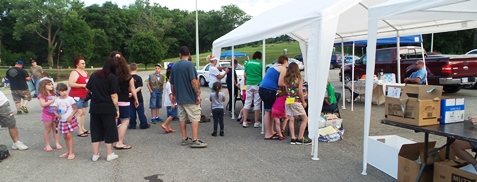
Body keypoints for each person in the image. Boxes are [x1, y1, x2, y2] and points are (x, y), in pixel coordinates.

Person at [170, 46, 207, 148]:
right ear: (189, 54)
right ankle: (195, 139)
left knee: (182, 118)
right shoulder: (189, 65)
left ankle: (185, 138)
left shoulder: (174, 66)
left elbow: (172, 83)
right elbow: (194, 81)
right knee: (195, 117)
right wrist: (198, 94)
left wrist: (173, 95)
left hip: (180, 97)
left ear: (180, 54)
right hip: (190, 97)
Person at [86, 57, 120, 162]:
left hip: (95, 107)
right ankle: (109, 154)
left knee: (96, 131)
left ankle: (95, 154)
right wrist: (117, 109)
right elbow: (114, 95)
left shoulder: (95, 75)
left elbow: (88, 89)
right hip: (107, 108)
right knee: (109, 130)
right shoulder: (112, 77)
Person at [259, 55, 288, 139]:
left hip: (263, 89)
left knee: (270, 111)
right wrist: (288, 85)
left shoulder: (272, 67)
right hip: (269, 90)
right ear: (285, 61)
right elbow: (280, 83)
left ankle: (271, 131)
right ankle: (268, 134)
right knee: (268, 112)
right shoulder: (283, 68)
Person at [114, 56, 138, 150]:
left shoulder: (112, 76)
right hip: (124, 100)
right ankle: (120, 142)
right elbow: (132, 89)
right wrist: (135, 99)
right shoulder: (128, 77)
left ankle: (114, 140)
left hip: (113, 100)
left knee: (115, 121)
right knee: (125, 121)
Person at [284, 62, 311, 145]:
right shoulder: (298, 78)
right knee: (305, 119)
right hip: (296, 101)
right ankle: (300, 137)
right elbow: (300, 91)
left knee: (291, 119)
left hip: (288, 101)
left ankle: (293, 138)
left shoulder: (286, 79)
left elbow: (286, 91)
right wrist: (303, 101)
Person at [53, 83, 78, 160]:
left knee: (69, 136)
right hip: (62, 121)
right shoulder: (57, 100)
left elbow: (75, 109)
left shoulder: (70, 99)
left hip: (69, 120)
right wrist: (57, 115)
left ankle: (71, 152)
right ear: (57, 91)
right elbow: (55, 110)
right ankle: (68, 151)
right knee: (65, 136)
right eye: (61, 91)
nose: (64, 92)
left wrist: (71, 116)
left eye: (65, 90)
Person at [68, 56, 90, 137]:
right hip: (76, 95)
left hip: (85, 95)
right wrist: (83, 85)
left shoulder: (85, 72)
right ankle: (79, 130)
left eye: (84, 63)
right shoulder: (74, 72)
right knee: (78, 112)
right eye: (82, 63)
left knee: (83, 112)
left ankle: (83, 128)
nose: (84, 64)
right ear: (77, 64)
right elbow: (71, 83)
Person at [38, 79, 62, 152]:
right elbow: (42, 104)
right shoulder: (41, 95)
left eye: (51, 84)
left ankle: (57, 143)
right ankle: (47, 145)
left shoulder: (54, 94)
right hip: (47, 114)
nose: (51, 86)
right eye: (49, 85)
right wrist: (52, 100)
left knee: (56, 129)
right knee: (47, 130)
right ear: (43, 86)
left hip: (55, 114)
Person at [241, 51, 263, 128]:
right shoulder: (261, 64)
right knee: (257, 103)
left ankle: (244, 121)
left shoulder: (248, 63)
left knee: (247, 102)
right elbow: (263, 75)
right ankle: (256, 122)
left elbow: (245, 74)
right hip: (257, 84)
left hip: (249, 84)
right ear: (260, 57)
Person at [128, 63, 150, 129]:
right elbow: (139, 87)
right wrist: (134, 92)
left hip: (129, 97)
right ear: (137, 69)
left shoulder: (127, 78)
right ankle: (143, 123)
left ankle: (132, 124)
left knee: (131, 111)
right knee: (140, 111)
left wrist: (130, 93)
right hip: (138, 97)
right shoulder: (138, 78)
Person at [161, 64, 177, 133]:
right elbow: (171, 94)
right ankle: (164, 125)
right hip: (171, 102)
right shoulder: (169, 84)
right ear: (169, 76)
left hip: (169, 102)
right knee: (173, 114)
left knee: (169, 116)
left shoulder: (168, 83)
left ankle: (168, 127)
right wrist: (173, 103)